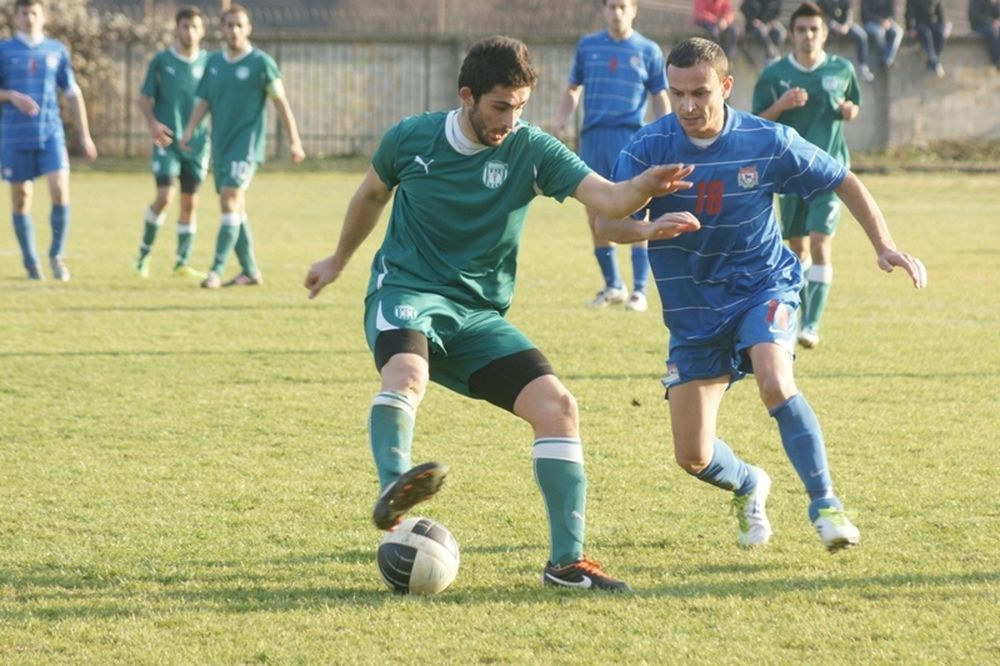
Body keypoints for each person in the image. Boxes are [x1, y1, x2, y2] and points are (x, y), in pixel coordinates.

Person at [304, 36, 694, 591]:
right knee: (407, 375)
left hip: (478, 315)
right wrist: (339, 259)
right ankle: (396, 497)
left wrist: (642, 189)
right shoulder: (412, 139)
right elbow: (371, 194)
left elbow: (606, 199)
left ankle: (567, 565)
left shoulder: (531, 149)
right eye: (499, 106)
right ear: (467, 96)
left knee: (558, 407)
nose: (511, 119)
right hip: (407, 292)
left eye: (520, 106)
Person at [598, 37, 927, 554]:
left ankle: (826, 504)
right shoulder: (646, 148)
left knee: (775, 380)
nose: (687, 106)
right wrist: (650, 227)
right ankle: (751, 484)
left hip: (762, 286)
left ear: (726, 87)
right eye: (677, 93)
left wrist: (884, 246)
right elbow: (607, 224)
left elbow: (843, 178)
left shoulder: (766, 140)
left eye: (700, 93)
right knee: (693, 456)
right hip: (693, 312)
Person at [752, 1, 862, 349]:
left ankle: (811, 325)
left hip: (829, 173)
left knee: (820, 244)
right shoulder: (774, 75)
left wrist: (849, 110)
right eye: (801, 29)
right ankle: (798, 312)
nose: (808, 35)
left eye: (814, 29)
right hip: (789, 175)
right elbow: (757, 123)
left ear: (824, 33)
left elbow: (854, 105)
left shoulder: (842, 69)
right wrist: (781, 105)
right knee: (797, 250)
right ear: (792, 34)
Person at [551, 0, 670, 311]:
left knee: (637, 211)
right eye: (611, 6)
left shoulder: (648, 50)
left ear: (634, 10)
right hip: (594, 138)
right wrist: (561, 118)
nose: (616, 12)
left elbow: (660, 94)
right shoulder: (588, 46)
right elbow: (572, 88)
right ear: (603, 10)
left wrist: (668, 131)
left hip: (631, 139)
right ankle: (613, 284)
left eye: (622, 6)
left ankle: (640, 290)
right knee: (595, 214)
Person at [179, 3, 305, 289]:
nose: (234, 30)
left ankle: (215, 270)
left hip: (246, 146)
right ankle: (250, 271)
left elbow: (281, 104)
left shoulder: (261, 63)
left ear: (248, 29)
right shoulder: (214, 64)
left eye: (239, 25)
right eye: (229, 25)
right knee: (235, 208)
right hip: (220, 146)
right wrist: (188, 131)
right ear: (221, 29)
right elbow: (204, 102)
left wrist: (294, 142)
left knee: (229, 199)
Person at [0, 0, 97, 281]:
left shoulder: (56, 50)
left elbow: (72, 93)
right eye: (23, 13)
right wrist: (11, 96)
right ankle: (32, 263)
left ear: (43, 17)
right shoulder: (4, 50)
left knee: (59, 189)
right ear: (15, 17)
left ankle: (56, 256)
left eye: (34, 13)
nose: (28, 18)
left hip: (50, 134)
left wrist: (85, 136)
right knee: (21, 199)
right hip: (15, 137)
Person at [133, 6, 210, 280]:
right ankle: (143, 254)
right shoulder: (161, 61)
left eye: (194, 27)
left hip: (198, 144)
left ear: (202, 31)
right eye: (184, 26)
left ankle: (181, 262)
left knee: (190, 203)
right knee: (165, 197)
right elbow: (143, 98)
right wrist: (153, 124)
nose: (188, 31)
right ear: (176, 29)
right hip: (166, 141)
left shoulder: (209, 64)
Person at [818, 0, 875, 81]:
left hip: (844, 26)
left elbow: (849, 14)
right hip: (829, 26)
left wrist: (846, 25)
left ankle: (863, 67)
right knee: (820, 36)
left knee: (861, 35)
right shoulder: (822, 1)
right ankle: (819, 64)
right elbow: (821, 15)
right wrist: (834, 25)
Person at [906, 0, 949, 77]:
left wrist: (943, 27)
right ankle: (935, 63)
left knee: (940, 34)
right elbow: (909, 13)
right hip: (919, 24)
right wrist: (910, 28)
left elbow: (940, 13)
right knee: (926, 34)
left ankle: (932, 63)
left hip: (931, 23)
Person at [862, 0, 905, 68]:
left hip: (887, 22)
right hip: (870, 22)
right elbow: (866, 14)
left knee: (898, 31)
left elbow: (892, 12)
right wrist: (880, 21)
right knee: (879, 32)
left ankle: (887, 59)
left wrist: (888, 21)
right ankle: (884, 59)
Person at [969, 0, 1000, 69]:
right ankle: (997, 60)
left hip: (990, 25)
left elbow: (997, 15)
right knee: (991, 32)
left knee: (994, 30)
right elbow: (976, 16)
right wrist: (992, 22)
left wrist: (994, 4)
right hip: (978, 25)